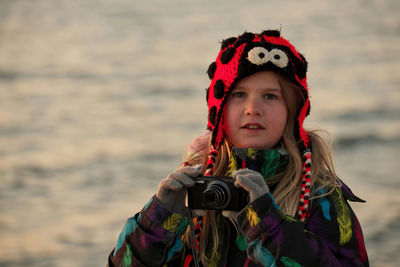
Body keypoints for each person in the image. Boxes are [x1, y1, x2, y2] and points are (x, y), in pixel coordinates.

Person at [108, 30, 369, 267]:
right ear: (219, 109)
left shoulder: (317, 193)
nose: (253, 108)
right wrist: (160, 217)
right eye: (239, 95)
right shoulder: (193, 182)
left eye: (270, 96)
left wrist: (266, 223)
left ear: (292, 111)